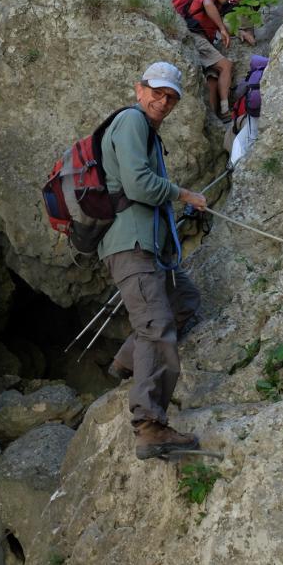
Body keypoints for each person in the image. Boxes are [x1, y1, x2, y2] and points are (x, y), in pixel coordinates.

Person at [98, 61, 207, 460]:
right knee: (157, 328)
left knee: (184, 302)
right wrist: (184, 194)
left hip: (152, 248)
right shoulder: (131, 121)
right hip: (132, 246)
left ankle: (127, 360)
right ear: (139, 89)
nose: (163, 101)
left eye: (171, 97)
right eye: (157, 92)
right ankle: (149, 426)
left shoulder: (148, 130)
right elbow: (138, 184)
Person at [185, 0, 257, 121]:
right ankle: (225, 110)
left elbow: (222, 25)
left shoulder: (217, 5)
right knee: (226, 65)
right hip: (197, 38)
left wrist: (239, 32)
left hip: (202, 41)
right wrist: (222, 29)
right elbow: (208, 5)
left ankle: (214, 116)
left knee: (212, 77)